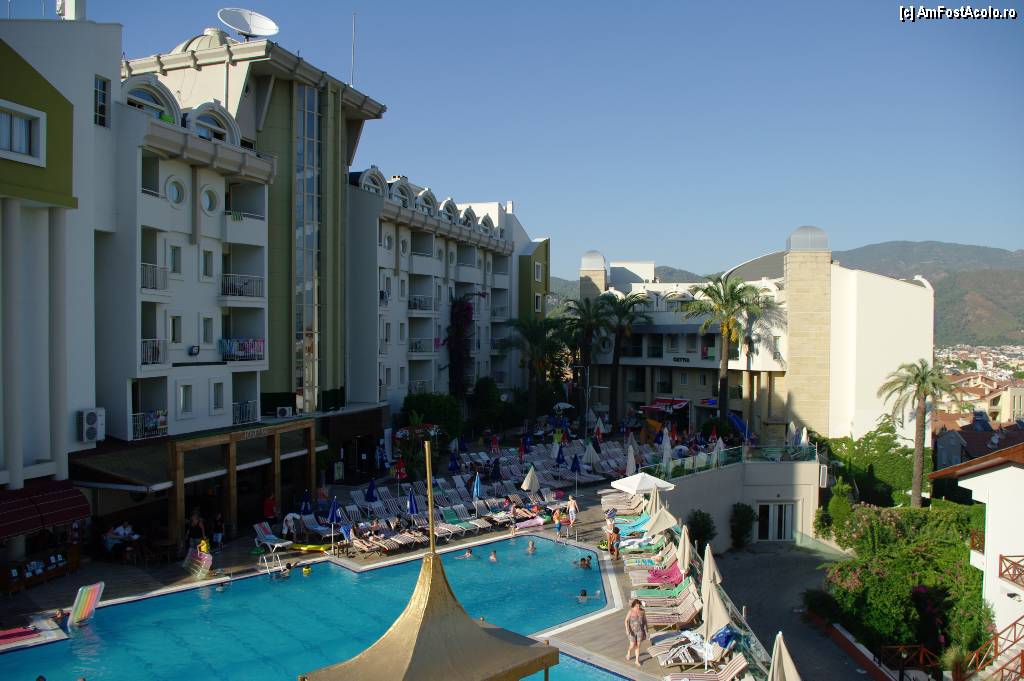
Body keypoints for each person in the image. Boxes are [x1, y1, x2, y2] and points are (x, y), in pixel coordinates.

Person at [624, 599, 649, 666]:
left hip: (640, 631)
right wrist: (627, 629)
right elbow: (626, 621)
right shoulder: (631, 611)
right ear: (633, 605)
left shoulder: (642, 611)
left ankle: (637, 661)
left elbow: (645, 621)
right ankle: (629, 651)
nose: (638, 607)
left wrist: (646, 630)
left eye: (639, 606)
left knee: (637, 646)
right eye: (636, 606)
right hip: (632, 631)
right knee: (632, 645)